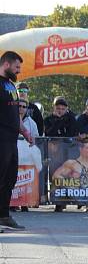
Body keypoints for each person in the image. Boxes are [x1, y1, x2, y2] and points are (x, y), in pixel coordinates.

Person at [0, 51, 33, 230]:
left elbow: (15, 114)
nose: (19, 71)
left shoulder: (12, 86)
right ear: (6, 65)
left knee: (9, 178)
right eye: (16, 67)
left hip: (11, 140)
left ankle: (3, 215)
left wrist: (26, 132)